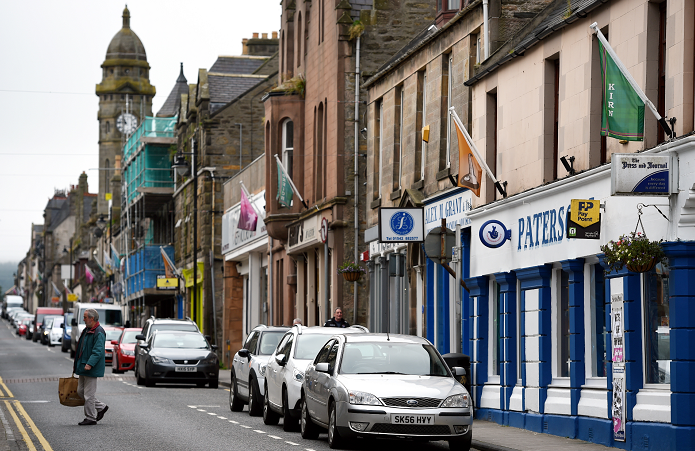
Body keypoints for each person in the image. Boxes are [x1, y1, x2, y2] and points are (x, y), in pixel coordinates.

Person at [73, 308, 108, 426]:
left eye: (85, 317)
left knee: (89, 395)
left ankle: (90, 417)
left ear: (91, 319)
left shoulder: (99, 331)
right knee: (80, 391)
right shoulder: (87, 330)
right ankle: (101, 407)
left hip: (90, 367)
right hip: (83, 366)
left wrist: (90, 364)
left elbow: (98, 351)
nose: (83, 319)